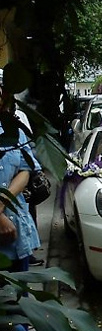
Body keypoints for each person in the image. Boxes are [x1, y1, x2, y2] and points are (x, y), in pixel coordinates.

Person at [0, 99, 41, 273]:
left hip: (16, 231)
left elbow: (25, 170)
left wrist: (0, 206)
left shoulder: (14, 130)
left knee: (19, 296)